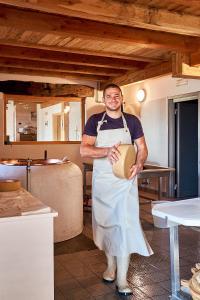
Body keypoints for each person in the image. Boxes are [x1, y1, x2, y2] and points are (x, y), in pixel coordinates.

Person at [80, 83, 153, 296]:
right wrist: (105, 151)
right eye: (109, 96)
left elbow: (142, 148)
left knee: (125, 226)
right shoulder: (95, 121)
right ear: (104, 100)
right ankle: (110, 267)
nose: (113, 99)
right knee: (106, 226)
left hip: (125, 182)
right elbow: (84, 149)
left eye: (116, 96)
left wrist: (139, 163)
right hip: (103, 183)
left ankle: (122, 279)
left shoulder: (132, 121)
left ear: (122, 98)